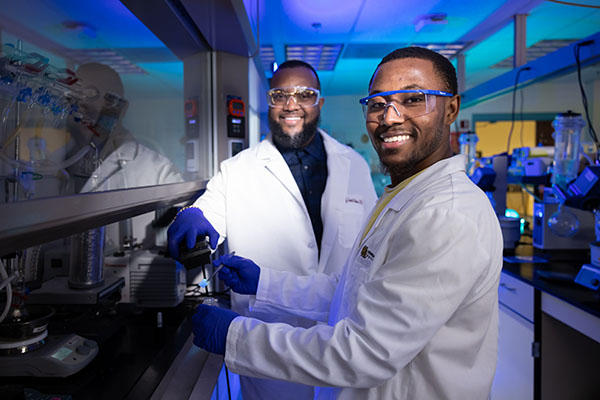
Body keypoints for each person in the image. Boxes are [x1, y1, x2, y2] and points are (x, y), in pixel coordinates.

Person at [189, 47, 504, 399]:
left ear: (451, 109)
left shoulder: (445, 213)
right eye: (378, 103)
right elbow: (355, 290)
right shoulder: (404, 197)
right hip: (313, 364)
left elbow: (365, 352)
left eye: (414, 99)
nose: (391, 117)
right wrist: (265, 284)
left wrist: (235, 335)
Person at [167, 60, 377, 399]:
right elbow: (209, 211)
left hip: (342, 342)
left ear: (319, 103)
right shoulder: (237, 170)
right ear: (269, 103)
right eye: (280, 95)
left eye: (305, 95)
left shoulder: (353, 164)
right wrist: (195, 216)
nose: (291, 105)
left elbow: (370, 244)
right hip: (267, 343)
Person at [69, 63, 183, 252]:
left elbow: (181, 240)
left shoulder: (158, 172)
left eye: (91, 94)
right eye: (74, 94)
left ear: (120, 108)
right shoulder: (49, 163)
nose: (81, 103)